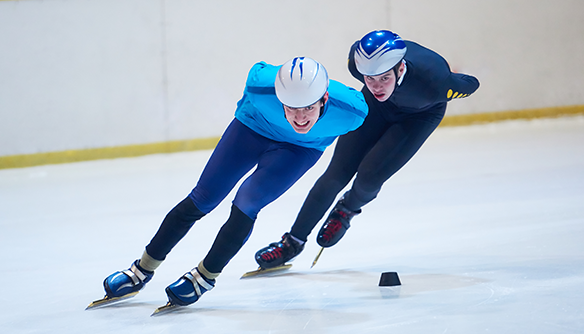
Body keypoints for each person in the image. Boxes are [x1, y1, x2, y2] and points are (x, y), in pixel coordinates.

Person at [96, 57, 368, 308]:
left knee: (247, 201)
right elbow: (258, 68)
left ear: (325, 98)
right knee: (203, 197)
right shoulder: (261, 87)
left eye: (308, 108)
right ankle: (141, 270)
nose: (299, 118)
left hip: (299, 150)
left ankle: (205, 275)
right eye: (291, 107)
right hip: (252, 129)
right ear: (279, 97)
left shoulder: (352, 111)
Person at [255, 30, 480, 269]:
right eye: (370, 78)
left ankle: (347, 209)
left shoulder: (435, 82)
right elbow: (372, 80)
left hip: (419, 116)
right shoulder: (358, 63)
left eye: (384, 78)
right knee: (336, 173)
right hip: (377, 108)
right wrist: (376, 83)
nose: (376, 85)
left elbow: (471, 84)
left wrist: (450, 76)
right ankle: (292, 242)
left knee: (370, 176)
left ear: (400, 69)